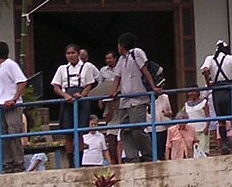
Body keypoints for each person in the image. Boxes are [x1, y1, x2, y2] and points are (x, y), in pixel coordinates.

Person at [109, 32, 162, 163]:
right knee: (125, 131)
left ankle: (148, 154)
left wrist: (153, 87)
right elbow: (117, 76)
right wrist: (114, 90)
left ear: (121, 45)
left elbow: (145, 70)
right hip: (125, 100)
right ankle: (132, 157)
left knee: (137, 129)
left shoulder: (136, 53)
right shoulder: (121, 60)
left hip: (138, 97)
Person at [51, 44, 99, 162]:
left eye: (73, 53)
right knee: (68, 133)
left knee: (80, 133)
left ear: (78, 54)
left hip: (81, 100)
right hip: (67, 99)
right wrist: (65, 95)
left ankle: (80, 161)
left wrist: (82, 94)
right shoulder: (62, 69)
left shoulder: (86, 67)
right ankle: (70, 162)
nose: (71, 56)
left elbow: (89, 84)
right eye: (68, 53)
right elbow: (55, 87)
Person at [0, 41, 27, 174]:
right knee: (3, 136)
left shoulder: (10, 65)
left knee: (14, 134)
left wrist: (14, 99)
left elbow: (22, 81)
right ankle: (7, 163)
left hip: (11, 106)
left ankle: (18, 163)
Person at [200, 40, 232, 153]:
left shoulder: (210, 58)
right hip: (229, 88)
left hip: (217, 90)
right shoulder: (230, 57)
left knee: (221, 120)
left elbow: (205, 70)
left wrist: (208, 82)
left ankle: (224, 143)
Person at [96, 51, 122, 165]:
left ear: (115, 59)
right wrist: (100, 99)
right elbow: (100, 85)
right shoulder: (103, 70)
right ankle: (113, 161)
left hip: (121, 100)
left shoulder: (121, 67)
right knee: (111, 138)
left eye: (110, 58)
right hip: (109, 101)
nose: (108, 61)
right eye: (106, 59)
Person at [182, 89, 211, 156]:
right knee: (191, 151)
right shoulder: (186, 104)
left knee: (203, 151)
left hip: (202, 130)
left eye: (193, 91)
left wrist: (207, 127)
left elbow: (208, 116)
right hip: (190, 130)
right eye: (190, 91)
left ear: (198, 92)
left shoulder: (204, 102)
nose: (191, 93)